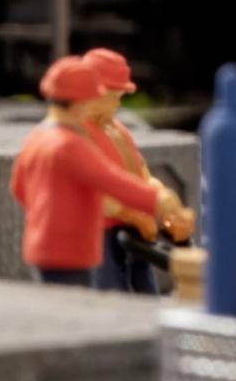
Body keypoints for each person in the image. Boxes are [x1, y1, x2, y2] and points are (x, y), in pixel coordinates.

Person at [11, 57, 185, 287]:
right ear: (79, 103)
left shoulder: (35, 138)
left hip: (41, 244)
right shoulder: (70, 145)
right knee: (83, 299)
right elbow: (109, 180)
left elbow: (19, 188)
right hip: (72, 247)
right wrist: (157, 200)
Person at [81, 48, 193, 294]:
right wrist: (132, 215)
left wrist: (164, 208)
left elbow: (141, 173)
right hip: (100, 232)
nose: (118, 102)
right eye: (115, 96)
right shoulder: (79, 135)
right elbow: (91, 191)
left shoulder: (117, 130)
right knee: (111, 290)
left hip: (135, 230)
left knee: (145, 289)